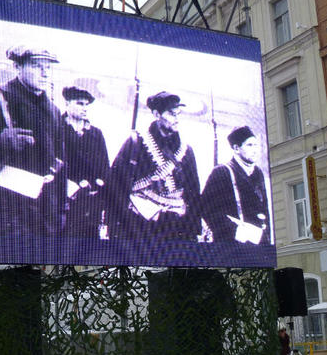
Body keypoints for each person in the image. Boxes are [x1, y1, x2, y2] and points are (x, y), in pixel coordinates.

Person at [0, 46, 67, 238]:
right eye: (36, 65)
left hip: (39, 218)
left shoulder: (54, 112)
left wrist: (58, 214)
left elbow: (59, 164)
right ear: (17, 67)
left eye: (48, 67)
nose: (44, 73)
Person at [106, 91, 202, 241]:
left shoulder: (185, 151)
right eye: (171, 114)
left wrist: (193, 231)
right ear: (157, 114)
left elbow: (193, 192)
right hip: (139, 226)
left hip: (175, 228)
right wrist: (115, 227)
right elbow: (116, 185)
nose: (176, 119)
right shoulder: (136, 143)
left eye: (178, 114)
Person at [201, 125, 270, 245]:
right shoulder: (222, 172)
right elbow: (206, 209)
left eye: (256, 145)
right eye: (249, 145)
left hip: (258, 244)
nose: (255, 150)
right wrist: (236, 231)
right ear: (236, 148)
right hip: (232, 245)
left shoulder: (258, 172)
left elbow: (264, 208)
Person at [60, 84, 110, 239]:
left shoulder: (96, 133)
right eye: (79, 103)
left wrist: (98, 187)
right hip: (64, 201)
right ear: (67, 103)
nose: (84, 108)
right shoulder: (57, 129)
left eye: (86, 105)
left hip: (91, 203)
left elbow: (105, 168)